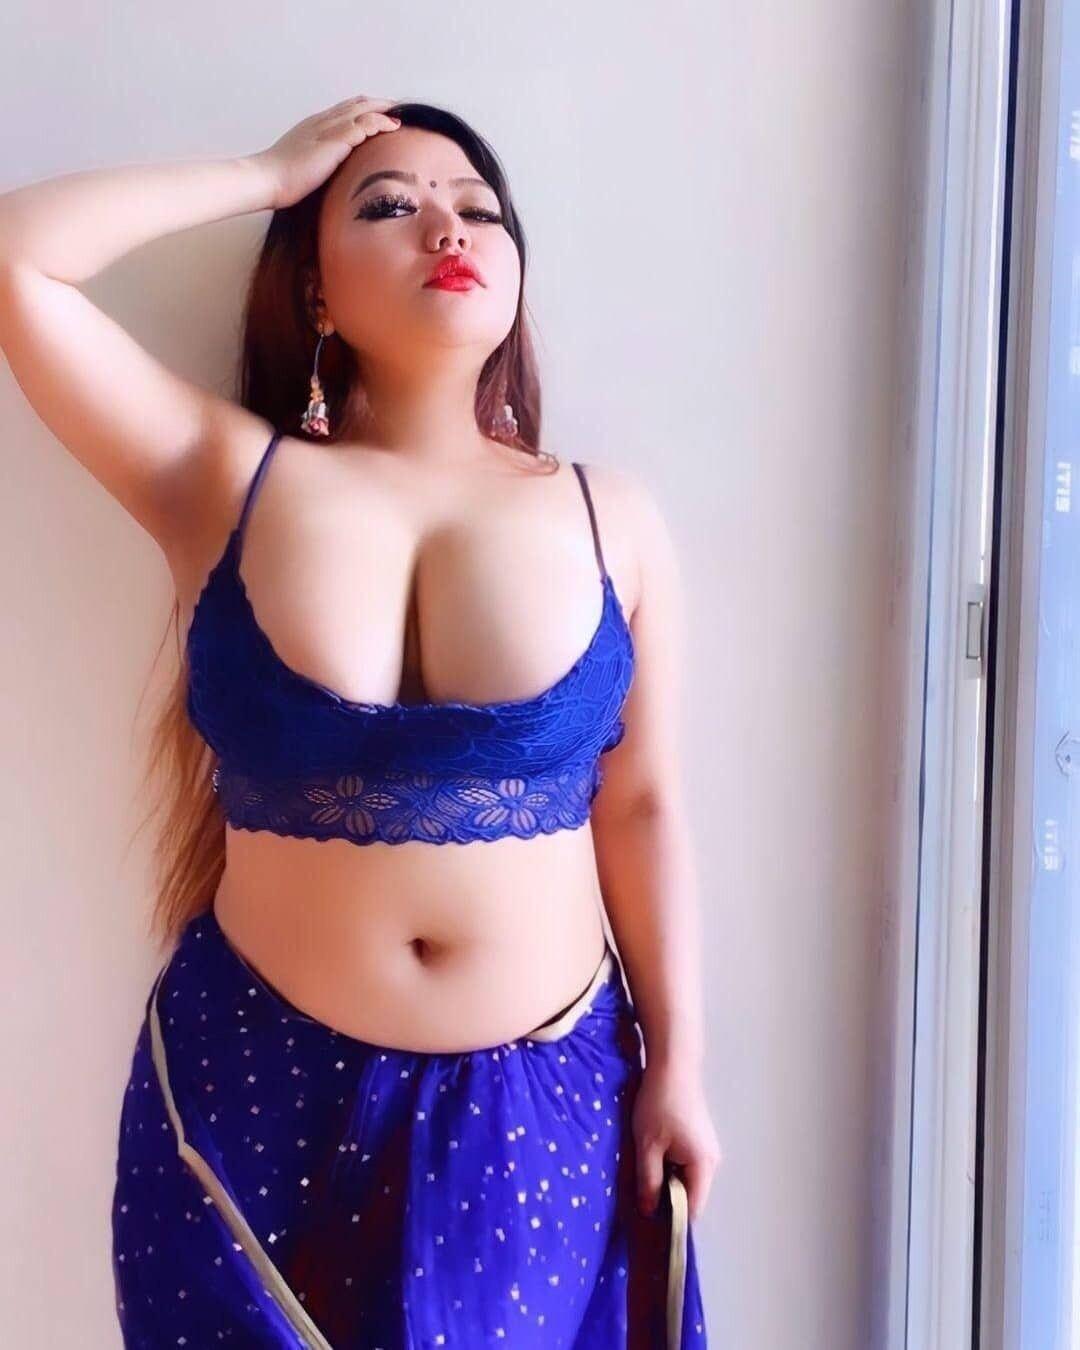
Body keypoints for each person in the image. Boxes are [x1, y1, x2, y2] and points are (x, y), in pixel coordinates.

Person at [0, 94, 718, 1347]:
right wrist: (265, 169)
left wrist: (683, 1065)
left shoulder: (615, 517)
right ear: (314, 290)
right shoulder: (222, 477)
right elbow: (21, 260)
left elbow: (645, 804)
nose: (448, 227)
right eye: (389, 205)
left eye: (479, 208)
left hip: (536, 1113)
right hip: (244, 1097)